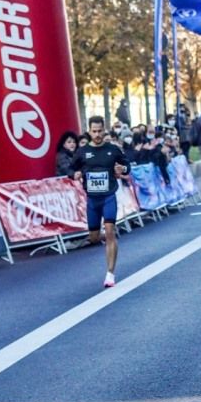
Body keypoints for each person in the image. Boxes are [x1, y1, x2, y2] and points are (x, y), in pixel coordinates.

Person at [71, 115, 130, 288]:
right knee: (94, 238)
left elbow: (127, 165)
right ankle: (105, 237)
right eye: (94, 131)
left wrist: (123, 168)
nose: (97, 134)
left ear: (104, 130)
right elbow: (70, 167)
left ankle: (110, 274)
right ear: (89, 131)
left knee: (110, 230)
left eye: (100, 131)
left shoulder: (113, 149)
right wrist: (74, 174)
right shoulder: (82, 152)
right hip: (92, 200)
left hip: (109, 196)